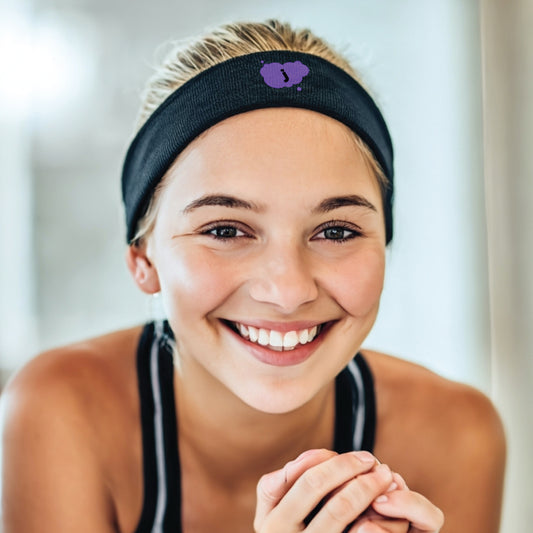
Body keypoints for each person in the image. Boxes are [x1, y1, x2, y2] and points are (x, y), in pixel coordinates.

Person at [0, 19, 505, 533]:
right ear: (143, 260)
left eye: (335, 232)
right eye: (224, 229)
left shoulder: (455, 434)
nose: (287, 292)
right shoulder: (60, 412)